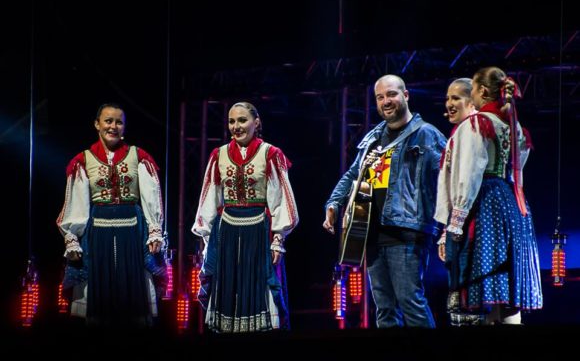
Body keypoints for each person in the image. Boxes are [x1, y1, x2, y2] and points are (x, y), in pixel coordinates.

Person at [323, 74, 447, 328]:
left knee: (410, 302)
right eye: (380, 97)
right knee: (384, 309)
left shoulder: (426, 135)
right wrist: (333, 203)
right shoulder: (373, 137)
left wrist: (446, 226)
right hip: (371, 231)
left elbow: (446, 181)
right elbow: (353, 174)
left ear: (406, 95)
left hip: (407, 230)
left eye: (391, 94)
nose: (386, 101)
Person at [434, 66, 543, 325]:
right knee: (504, 286)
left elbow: (469, 174)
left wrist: (455, 223)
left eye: (470, 91)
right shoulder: (513, 126)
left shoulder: (476, 123)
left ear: (482, 91)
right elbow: (517, 168)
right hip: (512, 203)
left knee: (485, 283)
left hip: (485, 204)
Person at [192, 101, 299, 333]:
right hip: (227, 230)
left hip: (259, 229)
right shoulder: (218, 155)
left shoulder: (271, 154)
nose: (236, 126)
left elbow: (281, 199)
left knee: (260, 287)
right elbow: (210, 198)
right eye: (232, 121)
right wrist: (207, 239)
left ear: (256, 122)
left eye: (242, 120)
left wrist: (278, 239)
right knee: (228, 287)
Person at [56, 102, 166, 326]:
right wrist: (72, 238)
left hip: (132, 232)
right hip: (98, 234)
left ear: (124, 127)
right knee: (99, 292)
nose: (113, 126)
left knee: (133, 291)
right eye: (108, 121)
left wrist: (155, 230)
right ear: (97, 124)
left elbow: (150, 197)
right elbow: (77, 204)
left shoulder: (139, 157)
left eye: (119, 122)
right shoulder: (83, 160)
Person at [436, 78, 480, 325]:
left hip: (469, 222)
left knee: (467, 287)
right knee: (457, 289)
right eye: (447, 98)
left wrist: (455, 224)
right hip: (457, 224)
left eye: (456, 98)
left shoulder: (472, 129)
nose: (450, 104)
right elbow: (449, 187)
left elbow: (467, 179)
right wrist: (446, 230)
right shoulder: (458, 132)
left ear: (472, 100)